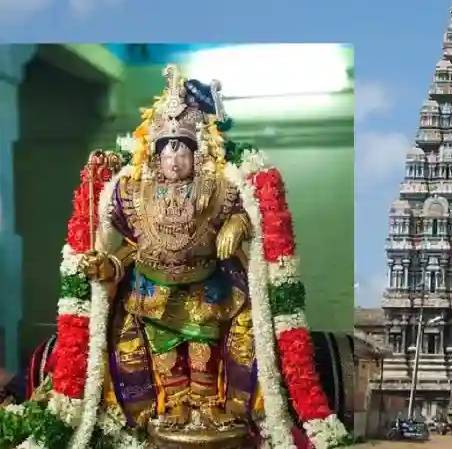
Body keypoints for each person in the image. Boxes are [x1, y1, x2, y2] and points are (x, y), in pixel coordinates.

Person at [1, 66, 348, 448]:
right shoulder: (134, 192)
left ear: (197, 153)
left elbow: (252, 215)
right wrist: (110, 264)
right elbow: (131, 245)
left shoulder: (217, 188)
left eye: (181, 147)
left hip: (209, 289)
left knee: (203, 348)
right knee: (162, 350)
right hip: (150, 290)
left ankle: (206, 403)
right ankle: (175, 405)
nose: (173, 157)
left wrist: (237, 227)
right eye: (166, 148)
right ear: (154, 154)